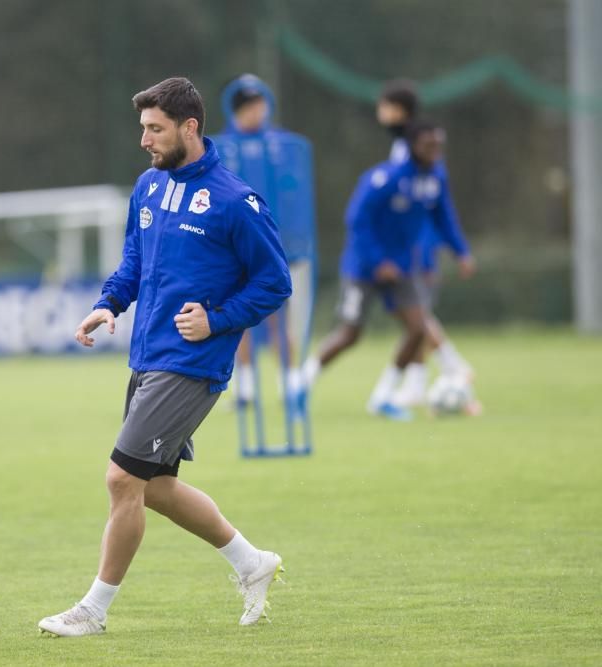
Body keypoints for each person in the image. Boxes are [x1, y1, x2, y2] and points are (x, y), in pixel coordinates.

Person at [37, 77, 292, 637]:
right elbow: (134, 260)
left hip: (192, 365)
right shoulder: (148, 187)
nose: (145, 140)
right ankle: (252, 564)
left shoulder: (234, 200)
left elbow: (275, 283)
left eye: (155, 129)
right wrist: (108, 305)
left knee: (120, 480)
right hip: (147, 357)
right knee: (152, 487)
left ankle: (93, 611)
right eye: (143, 129)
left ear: (189, 128)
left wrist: (217, 320)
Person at [298, 120, 474, 420]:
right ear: (413, 146)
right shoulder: (386, 177)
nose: (435, 152)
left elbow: (444, 216)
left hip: (403, 266)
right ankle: (301, 384)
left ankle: (382, 397)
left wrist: (461, 251)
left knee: (418, 330)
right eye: (428, 146)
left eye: (438, 146)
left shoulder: (435, 178)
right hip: (364, 267)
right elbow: (357, 220)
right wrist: (378, 261)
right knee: (350, 334)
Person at [212, 74, 316, 407]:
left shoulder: (283, 146)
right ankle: (245, 386)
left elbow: (293, 195)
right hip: (232, 246)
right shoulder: (221, 148)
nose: (255, 112)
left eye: (259, 104)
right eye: (247, 106)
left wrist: (295, 241)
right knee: (236, 316)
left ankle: (289, 383)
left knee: (278, 316)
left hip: (272, 244)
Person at [375, 80, 476, 407]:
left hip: (415, 246)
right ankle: (434, 374)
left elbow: (435, 205)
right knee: (415, 316)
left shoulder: (415, 147)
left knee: (416, 315)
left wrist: (450, 248)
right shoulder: (405, 144)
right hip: (409, 245)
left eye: (385, 105)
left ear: (398, 110)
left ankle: (450, 366)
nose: (380, 112)